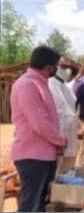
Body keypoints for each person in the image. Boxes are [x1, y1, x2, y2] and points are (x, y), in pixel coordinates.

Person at [10, 46, 66, 212]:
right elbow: (39, 123)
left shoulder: (40, 84)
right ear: (48, 66)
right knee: (30, 203)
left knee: (40, 203)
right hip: (32, 156)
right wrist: (60, 140)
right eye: (56, 65)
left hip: (44, 155)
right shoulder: (27, 85)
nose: (57, 69)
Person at [48, 56, 79, 174]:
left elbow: (71, 112)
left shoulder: (66, 87)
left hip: (69, 138)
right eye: (64, 66)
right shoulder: (49, 85)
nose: (68, 70)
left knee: (66, 174)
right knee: (54, 175)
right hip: (57, 140)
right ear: (55, 66)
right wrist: (58, 140)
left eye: (69, 67)